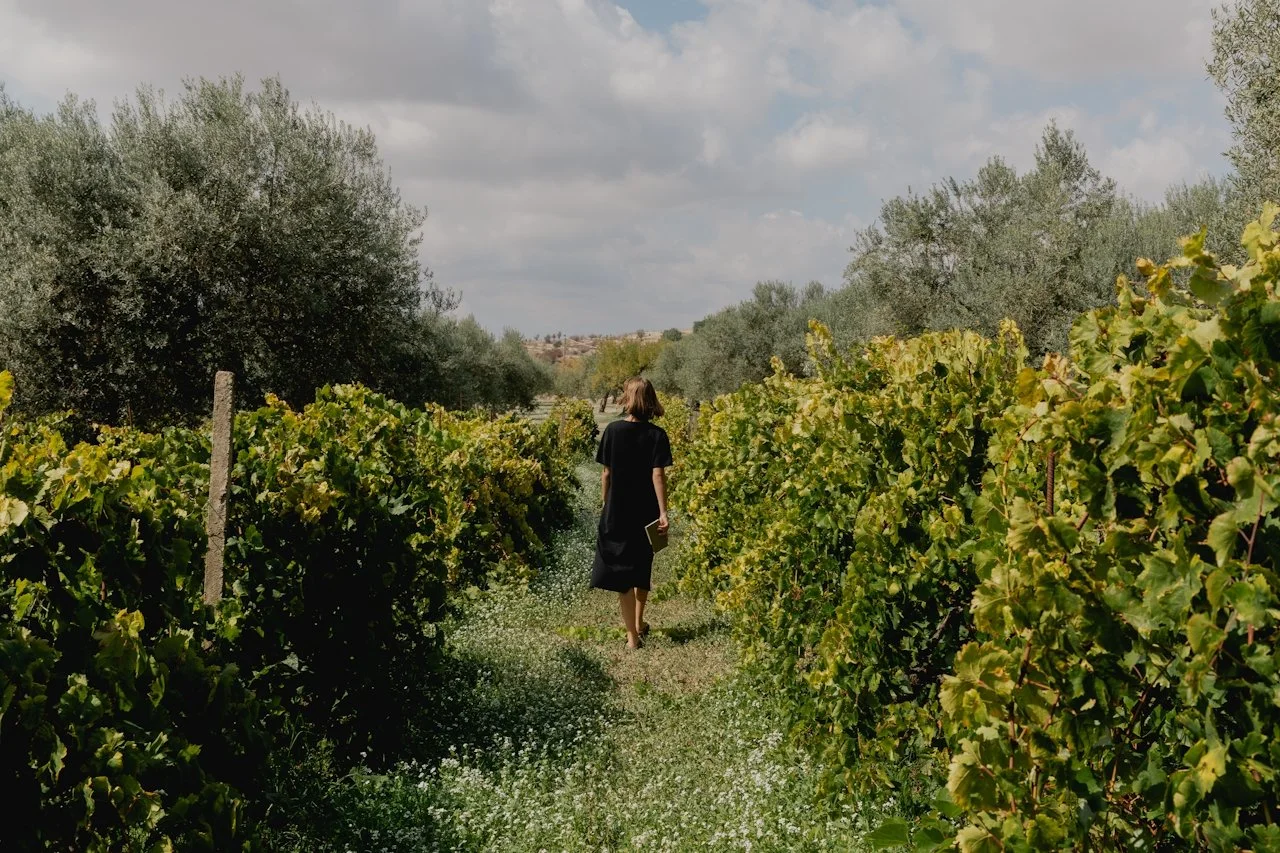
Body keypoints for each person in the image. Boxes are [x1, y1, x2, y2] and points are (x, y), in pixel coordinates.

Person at [592, 376, 672, 649]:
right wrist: (663, 512)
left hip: (618, 510)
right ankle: (639, 622)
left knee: (621, 573)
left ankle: (632, 636)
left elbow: (606, 475)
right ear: (650, 400)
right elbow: (658, 475)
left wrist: (606, 505)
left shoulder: (612, 431)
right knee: (641, 566)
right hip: (646, 511)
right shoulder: (657, 435)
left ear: (627, 399)